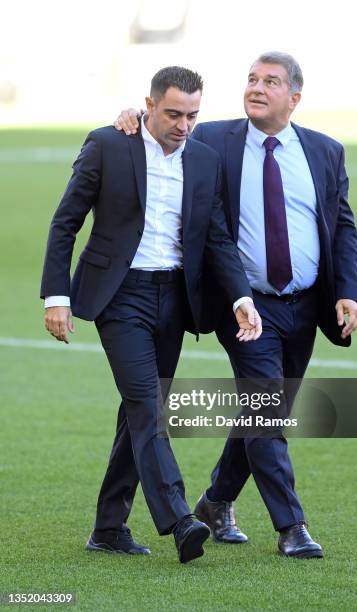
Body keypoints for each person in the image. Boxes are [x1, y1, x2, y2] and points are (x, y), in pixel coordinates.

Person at [114, 51, 357, 559]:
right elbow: (162, 127)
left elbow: (342, 226)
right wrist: (131, 117)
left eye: (270, 81)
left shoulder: (325, 151)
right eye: (251, 78)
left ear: (293, 97)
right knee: (266, 411)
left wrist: (348, 291)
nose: (256, 87)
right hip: (244, 305)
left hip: (307, 304)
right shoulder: (210, 139)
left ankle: (217, 500)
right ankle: (292, 527)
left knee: (266, 412)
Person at [40, 66, 263, 564]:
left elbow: (219, 237)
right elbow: (65, 223)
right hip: (119, 297)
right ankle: (181, 518)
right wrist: (56, 296)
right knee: (149, 405)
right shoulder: (108, 145)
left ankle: (109, 527)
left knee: (138, 410)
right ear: (148, 104)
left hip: (175, 298)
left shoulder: (204, 160)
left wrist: (240, 296)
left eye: (193, 115)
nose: (184, 124)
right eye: (173, 114)